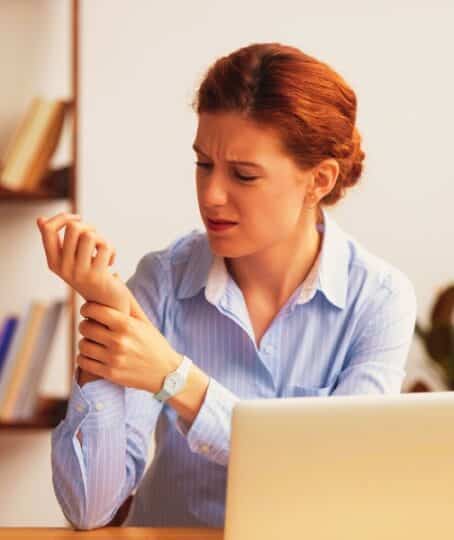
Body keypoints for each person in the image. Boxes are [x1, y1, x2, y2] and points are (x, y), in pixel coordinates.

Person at [39, 42, 417, 530]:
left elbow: (335, 479)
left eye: (243, 174)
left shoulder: (378, 300)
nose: (211, 195)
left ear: (319, 180)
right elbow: (90, 509)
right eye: (203, 165)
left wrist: (177, 380)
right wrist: (106, 314)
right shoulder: (163, 281)